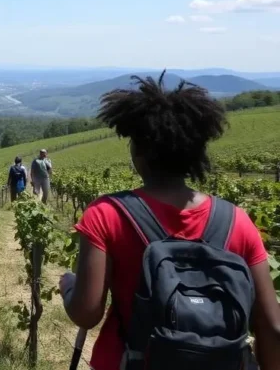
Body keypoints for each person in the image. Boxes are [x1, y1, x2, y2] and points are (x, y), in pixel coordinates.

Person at [60, 75, 280, 370]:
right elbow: (272, 327)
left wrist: (69, 287)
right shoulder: (238, 222)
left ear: (138, 153)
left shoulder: (106, 214)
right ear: (195, 153)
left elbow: (87, 313)